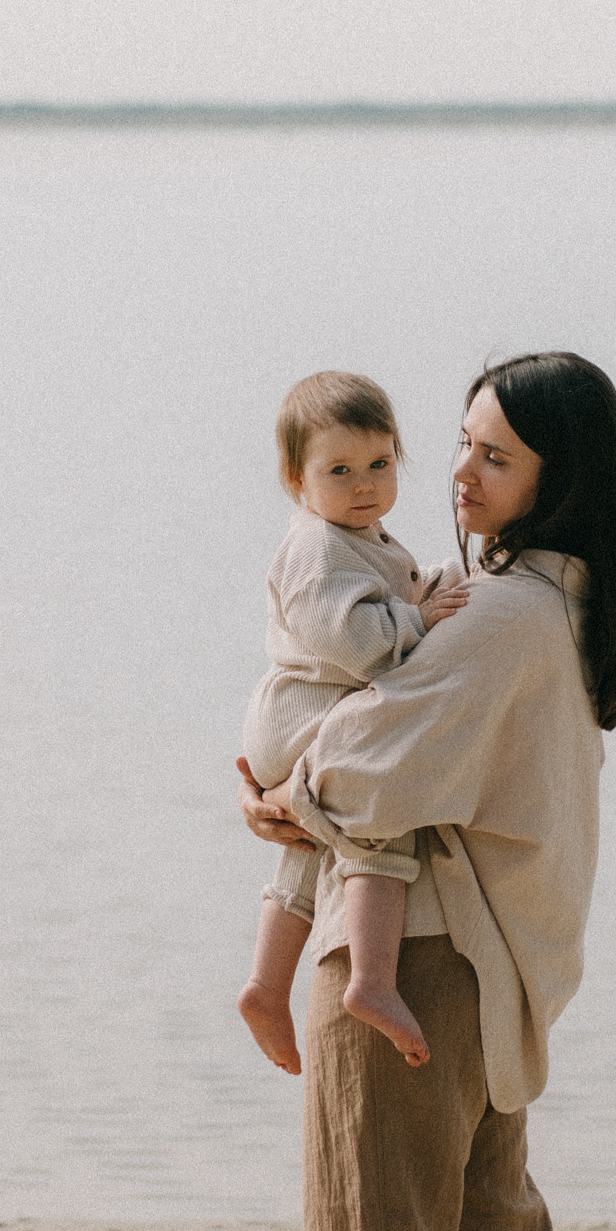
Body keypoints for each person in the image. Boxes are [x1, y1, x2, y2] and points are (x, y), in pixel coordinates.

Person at [236, 350, 616, 1231]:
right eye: (463, 445)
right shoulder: (548, 605)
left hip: (416, 956)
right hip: (487, 963)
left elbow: (369, 764)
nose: (459, 476)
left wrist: (280, 798)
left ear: (554, 478)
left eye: (495, 456)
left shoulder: (508, 618)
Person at [237, 370, 470, 1076]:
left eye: (379, 463)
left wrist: (435, 588)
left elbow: (388, 591)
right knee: (378, 807)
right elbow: (357, 640)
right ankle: (371, 979)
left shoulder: (359, 534)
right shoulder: (315, 548)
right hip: (304, 711)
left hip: (301, 714)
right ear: (294, 478)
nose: (363, 483)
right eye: (338, 470)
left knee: (310, 843)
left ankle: (265, 986)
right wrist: (417, 620)